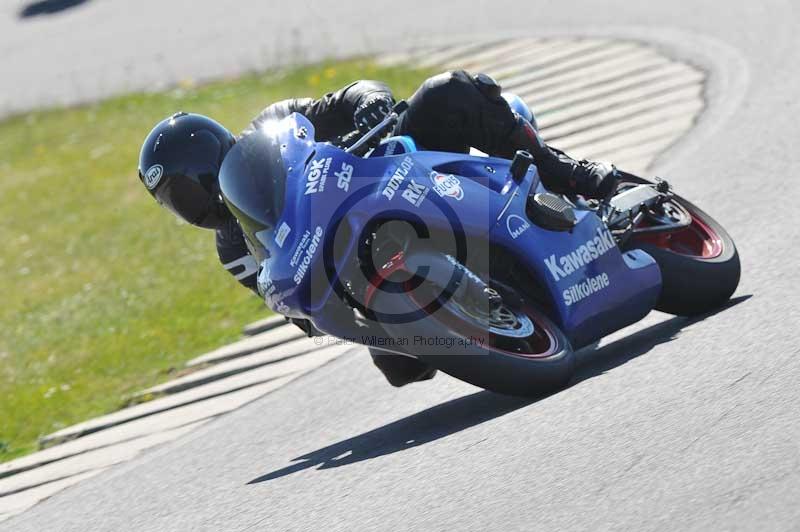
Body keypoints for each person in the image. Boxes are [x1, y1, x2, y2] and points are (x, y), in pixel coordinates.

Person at [137, 71, 617, 387]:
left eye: (187, 192)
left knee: (446, 91)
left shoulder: (271, 128)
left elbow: (345, 97)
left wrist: (369, 103)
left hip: (403, 177)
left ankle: (571, 174)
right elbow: (297, 311)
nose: (190, 208)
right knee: (400, 367)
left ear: (208, 164)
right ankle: (485, 307)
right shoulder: (233, 249)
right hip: (365, 271)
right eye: (175, 204)